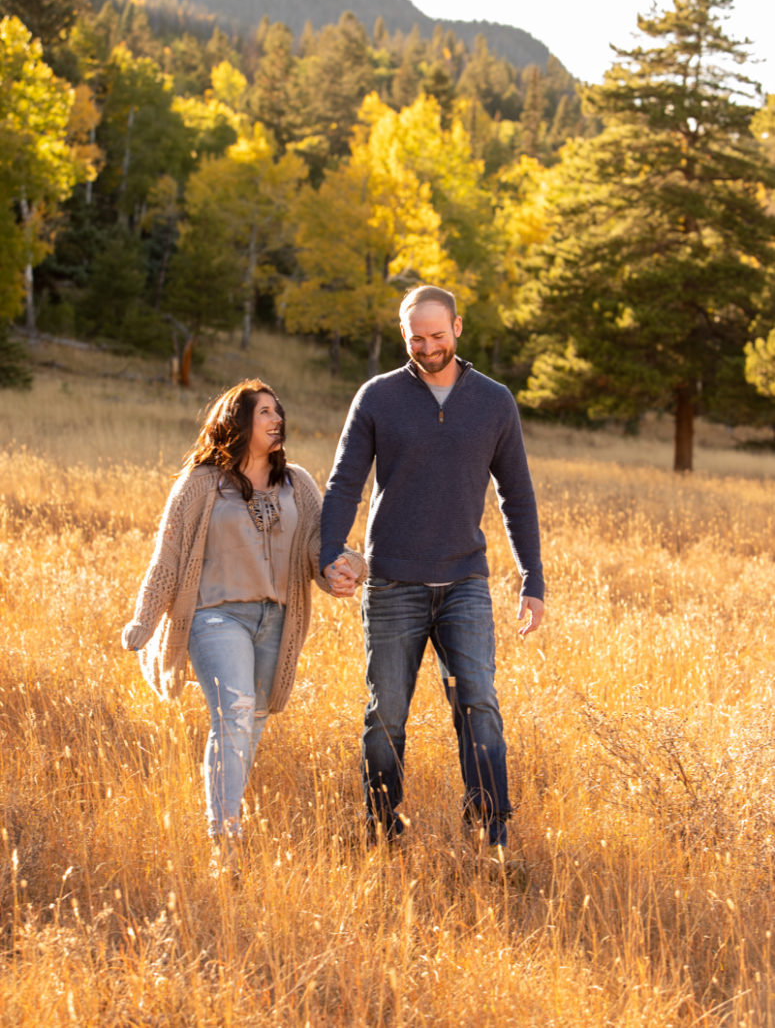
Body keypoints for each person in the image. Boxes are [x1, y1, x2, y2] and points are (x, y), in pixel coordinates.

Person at [319, 285, 544, 853]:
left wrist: (531, 580)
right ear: (404, 336)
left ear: (458, 329)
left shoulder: (494, 401)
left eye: (438, 336)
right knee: (386, 714)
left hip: (464, 581)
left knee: (480, 705)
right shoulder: (377, 397)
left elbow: (516, 494)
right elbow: (345, 482)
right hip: (393, 582)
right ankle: (381, 826)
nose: (428, 347)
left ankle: (491, 830)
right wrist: (328, 556)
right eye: (417, 338)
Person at [122, 378, 365, 870]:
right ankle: (225, 842)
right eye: (265, 413)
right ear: (239, 422)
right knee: (233, 715)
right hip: (216, 617)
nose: (277, 420)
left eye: (279, 411)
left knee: (249, 727)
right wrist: (144, 619)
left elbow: (320, 547)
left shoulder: (298, 482)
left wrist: (344, 567)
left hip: (276, 620)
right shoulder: (199, 483)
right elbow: (167, 558)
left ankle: (224, 819)